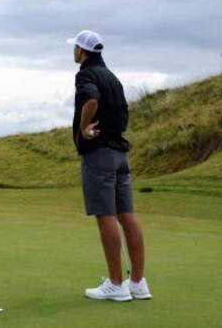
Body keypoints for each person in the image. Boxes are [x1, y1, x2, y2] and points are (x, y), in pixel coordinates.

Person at [68, 30, 151, 302]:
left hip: (99, 153)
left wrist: (83, 127)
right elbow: (123, 112)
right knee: (126, 214)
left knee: (105, 214)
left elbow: (91, 99)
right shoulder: (112, 76)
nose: (73, 52)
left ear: (82, 52)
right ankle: (137, 282)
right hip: (119, 153)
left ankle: (116, 284)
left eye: (75, 48)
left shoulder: (86, 74)